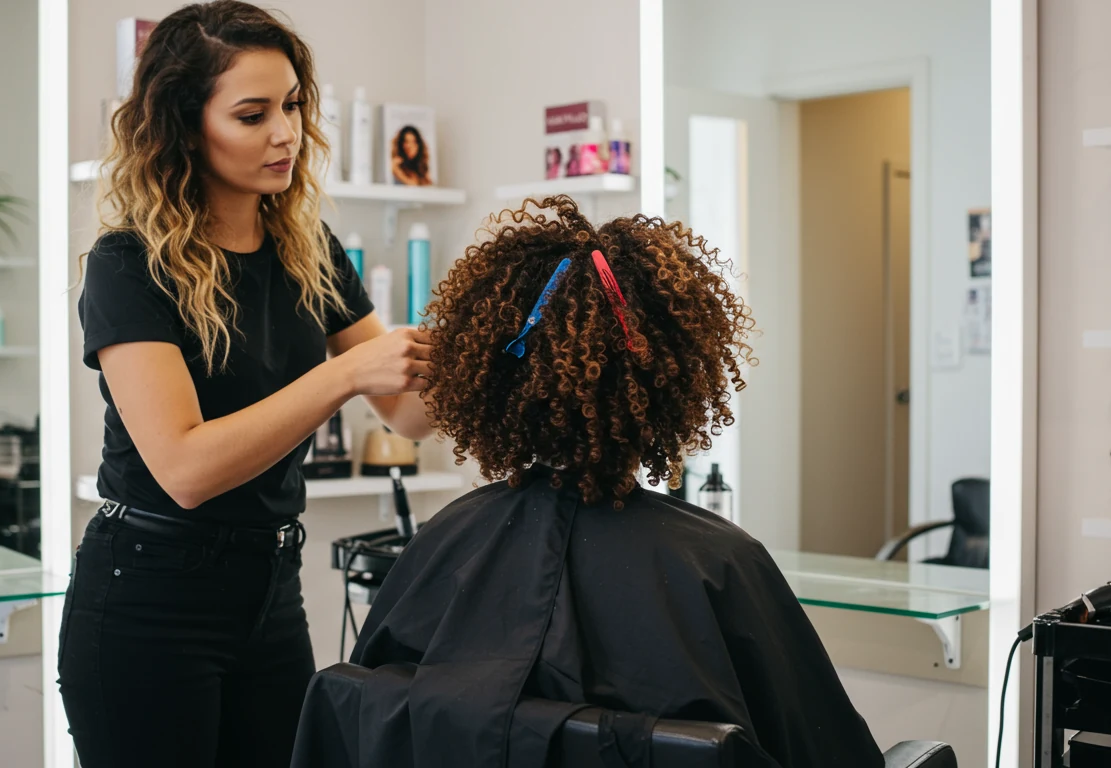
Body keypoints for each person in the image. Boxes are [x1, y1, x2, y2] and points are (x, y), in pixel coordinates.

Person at [293, 196, 884, 767]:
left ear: (491, 381)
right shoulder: (721, 565)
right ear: (670, 382)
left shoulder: (440, 545)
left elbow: (366, 732)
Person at [57, 3, 434, 766]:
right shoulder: (128, 265)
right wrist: (345, 374)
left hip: (270, 590)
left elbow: (409, 415)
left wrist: (487, 342)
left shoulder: (307, 248)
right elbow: (187, 470)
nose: (285, 132)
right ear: (185, 124)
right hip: (146, 598)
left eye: (292, 105)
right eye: (253, 114)